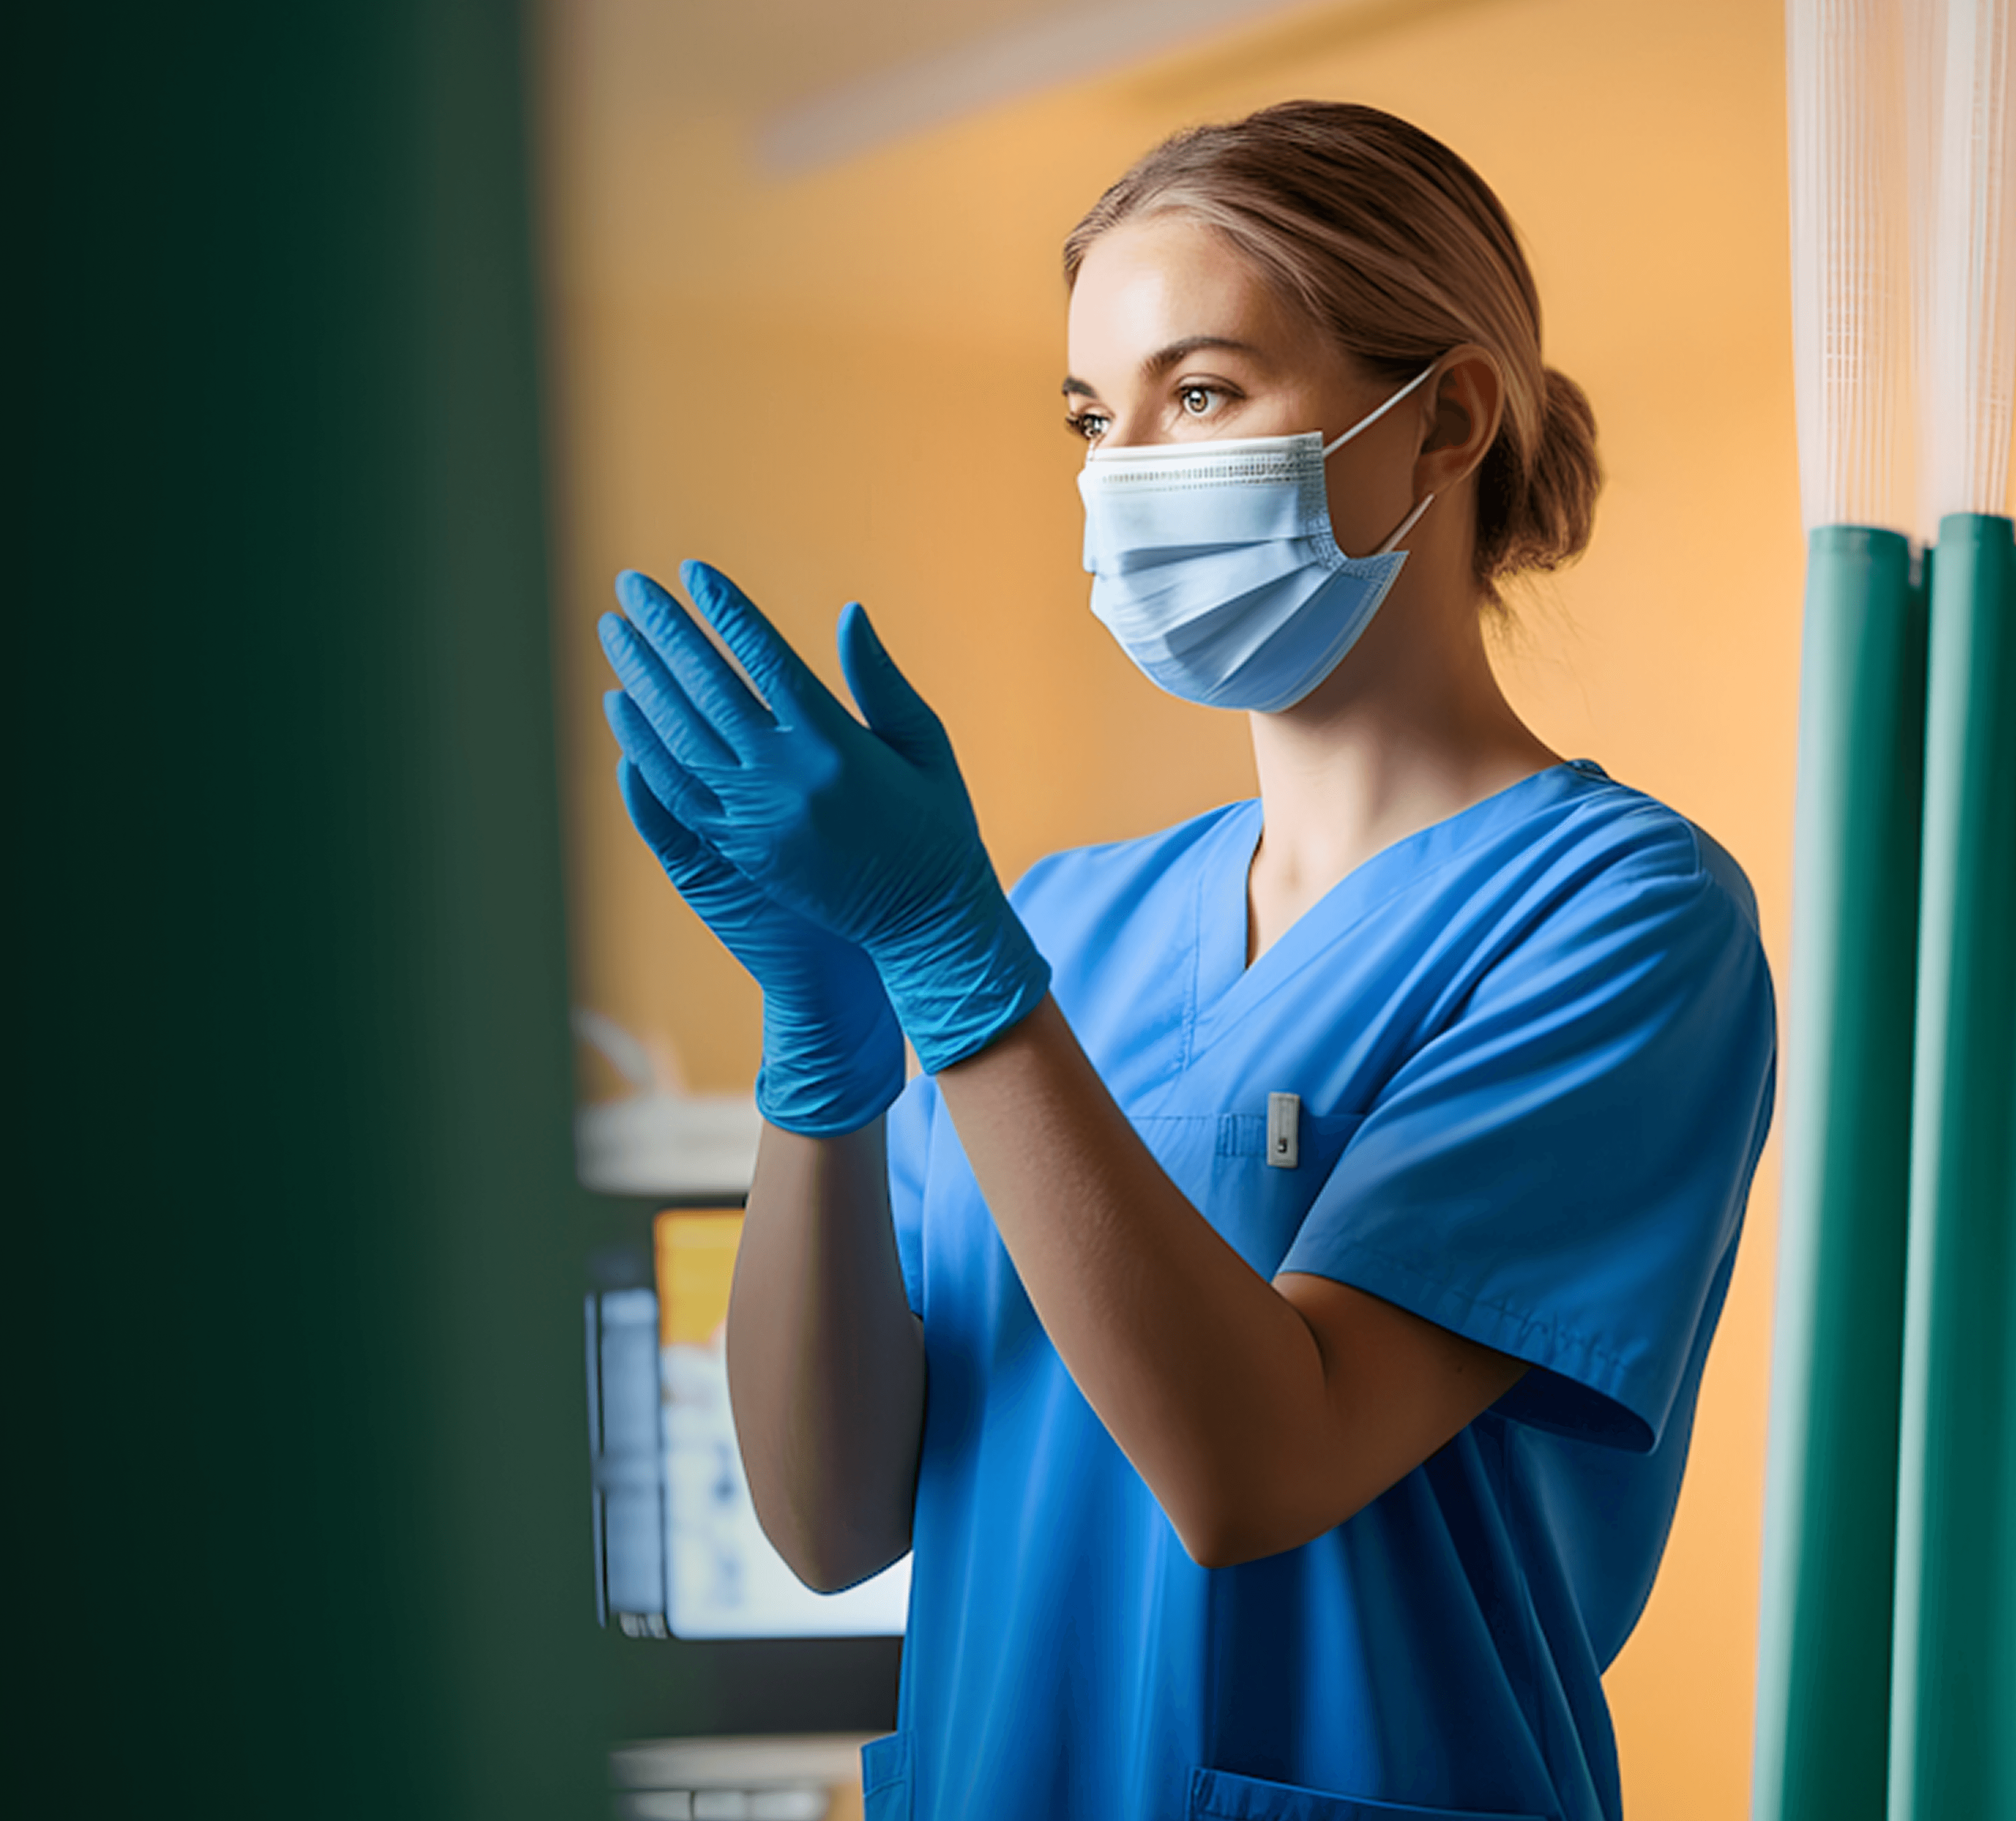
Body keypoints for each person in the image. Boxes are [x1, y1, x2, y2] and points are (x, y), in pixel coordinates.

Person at [595, 100, 1774, 1821]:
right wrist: (822, 1054)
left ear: (1445, 418)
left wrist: (947, 962)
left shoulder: (1618, 914)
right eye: (1093, 417)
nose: (1125, 471)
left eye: (1201, 393)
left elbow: (1257, 1466)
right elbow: (831, 1518)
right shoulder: (1070, 922)